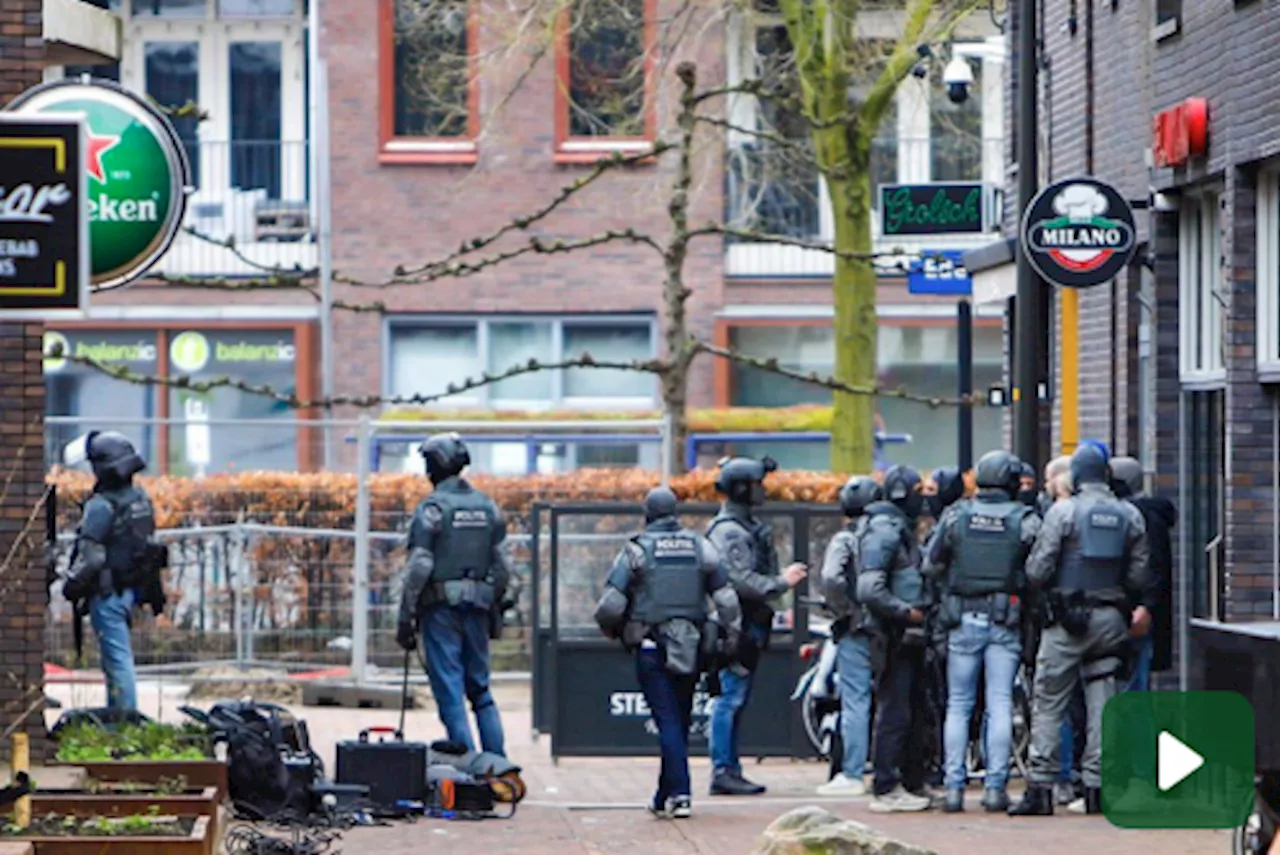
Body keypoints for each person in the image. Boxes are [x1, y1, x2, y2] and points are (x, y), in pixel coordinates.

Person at [1008, 444, 1151, 816]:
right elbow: (1138, 574)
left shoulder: (1063, 511)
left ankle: (1040, 786)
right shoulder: (1130, 515)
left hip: (1067, 621)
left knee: (1049, 698)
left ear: (1075, 477)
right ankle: (1097, 788)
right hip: (1111, 619)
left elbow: (1038, 570)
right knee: (1102, 699)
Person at [594, 487, 742, 819]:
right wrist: (730, 638)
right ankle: (664, 794)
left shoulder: (636, 550)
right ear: (676, 512)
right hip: (692, 647)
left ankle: (680, 794)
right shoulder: (701, 546)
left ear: (647, 514)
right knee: (679, 718)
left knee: (668, 722)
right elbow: (727, 601)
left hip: (652, 646)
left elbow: (610, 605)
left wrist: (612, 630)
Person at [924, 450, 1041, 813]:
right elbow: (1041, 568)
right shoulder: (1025, 520)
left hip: (962, 619)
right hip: (1006, 619)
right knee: (1000, 703)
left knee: (958, 704)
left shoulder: (956, 515)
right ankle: (995, 788)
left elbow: (931, 563)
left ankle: (954, 788)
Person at [397, 432, 511, 756]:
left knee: (450, 690)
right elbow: (504, 566)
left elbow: (419, 565)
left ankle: (471, 768)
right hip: (478, 607)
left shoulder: (432, 509)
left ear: (434, 467)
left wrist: (406, 616)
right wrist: (495, 606)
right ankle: (498, 768)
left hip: (441, 610)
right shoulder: (487, 506)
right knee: (481, 692)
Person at [705, 456, 807, 796]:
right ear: (740, 489)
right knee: (729, 698)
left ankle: (729, 768)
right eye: (756, 484)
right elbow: (739, 579)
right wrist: (780, 582)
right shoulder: (730, 531)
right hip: (736, 625)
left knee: (735, 698)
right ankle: (723, 770)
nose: (762, 490)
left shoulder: (742, 527)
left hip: (746, 623)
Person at [61, 431, 160, 711]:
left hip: (107, 594)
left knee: (117, 660)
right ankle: (119, 716)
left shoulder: (101, 506)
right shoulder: (140, 499)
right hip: (130, 589)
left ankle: (124, 722)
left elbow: (91, 558)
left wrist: (71, 585)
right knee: (117, 658)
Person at [858, 465, 934, 813]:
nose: (925, 494)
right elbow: (869, 588)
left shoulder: (898, 529)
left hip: (908, 636)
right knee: (895, 711)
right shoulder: (885, 532)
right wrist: (906, 612)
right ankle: (886, 785)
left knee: (913, 709)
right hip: (893, 635)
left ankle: (911, 781)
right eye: (919, 488)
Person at [814, 475, 882, 797]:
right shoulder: (888, 534)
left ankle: (852, 773)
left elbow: (830, 576)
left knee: (855, 699)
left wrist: (842, 609)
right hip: (888, 627)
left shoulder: (846, 539)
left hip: (855, 629)